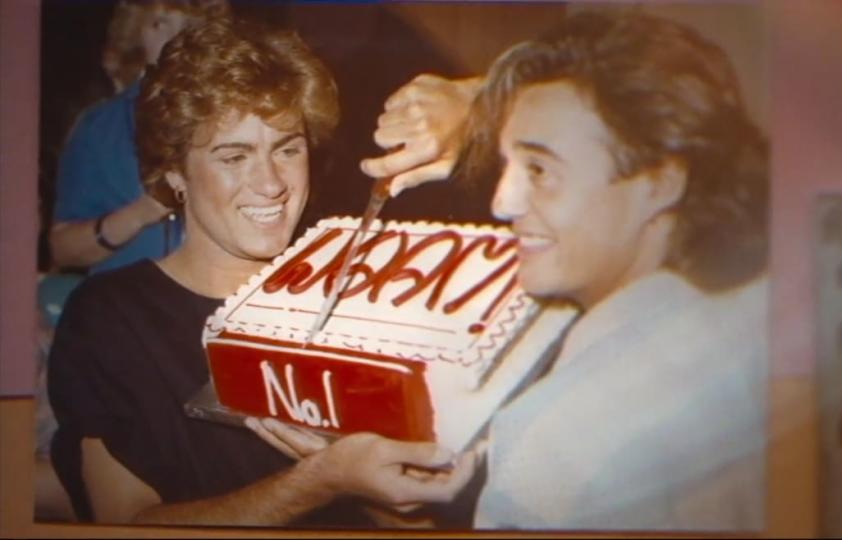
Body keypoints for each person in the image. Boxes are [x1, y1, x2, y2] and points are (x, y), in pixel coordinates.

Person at [48, 18, 477, 527]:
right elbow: (126, 522)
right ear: (174, 172)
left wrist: (373, 487)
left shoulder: (359, 297)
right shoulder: (112, 319)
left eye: (287, 149)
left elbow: (414, 524)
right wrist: (320, 479)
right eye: (235, 155)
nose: (271, 184)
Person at [358, 8, 770, 529]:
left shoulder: (552, 449)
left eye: (538, 169)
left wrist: (374, 511)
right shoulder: (758, 310)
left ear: (661, 182)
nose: (503, 202)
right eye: (507, 165)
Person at [48, 0, 228, 274]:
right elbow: (63, 249)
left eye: (189, 26)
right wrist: (141, 212)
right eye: (160, 24)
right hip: (125, 308)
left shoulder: (235, 117)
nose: (175, 40)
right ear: (136, 32)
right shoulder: (99, 127)